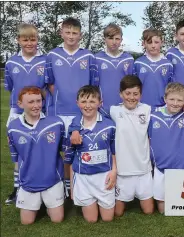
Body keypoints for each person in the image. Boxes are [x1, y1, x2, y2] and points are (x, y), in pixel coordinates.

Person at [45, 17, 97, 198]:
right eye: (67, 32)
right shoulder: (52, 55)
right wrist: (62, 97)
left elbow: (93, 85)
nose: (71, 36)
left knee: (77, 151)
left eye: (75, 33)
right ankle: (58, 189)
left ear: (80, 35)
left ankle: (75, 190)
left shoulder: (89, 56)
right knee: (57, 151)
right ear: (61, 33)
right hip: (58, 113)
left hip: (81, 113)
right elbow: (50, 83)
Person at [7, 86, 65, 224]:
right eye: (31, 102)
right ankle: (36, 202)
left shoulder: (56, 123)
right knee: (26, 222)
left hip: (52, 181)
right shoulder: (13, 127)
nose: (36, 105)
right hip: (29, 182)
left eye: (39, 101)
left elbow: (65, 150)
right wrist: (19, 183)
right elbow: (16, 158)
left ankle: (47, 202)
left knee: (57, 219)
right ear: (20, 104)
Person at [4, 23, 47, 205]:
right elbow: (10, 87)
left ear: (37, 40)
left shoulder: (45, 61)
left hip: (41, 111)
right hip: (17, 112)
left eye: (33, 39)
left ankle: (46, 184)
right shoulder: (11, 62)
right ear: (18, 40)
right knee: (19, 150)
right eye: (25, 39)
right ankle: (17, 188)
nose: (29, 43)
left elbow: (48, 86)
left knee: (43, 148)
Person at [64, 85, 117, 223]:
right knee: (91, 220)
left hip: (104, 177)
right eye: (83, 101)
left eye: (92, 101)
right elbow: (69, 158)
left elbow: (114, 151)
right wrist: (71, 186)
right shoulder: (73, 128)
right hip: (83, 179)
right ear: (77, 103)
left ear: (100, 103)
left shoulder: (110, 125)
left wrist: (114, 171)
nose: (88, 106)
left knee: (107, 219)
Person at [111, 75, 155, 216]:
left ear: (141, 94)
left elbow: (169, 109)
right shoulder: (113, 111)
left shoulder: (147, 110)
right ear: (121, 94)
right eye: (127, 93)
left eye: (135, 94)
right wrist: (75, 128)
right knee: (117, 213)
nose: (131, 97)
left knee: (149, 211)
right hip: (123, 171)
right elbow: (90, 112)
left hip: (143, 169)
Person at [148, 82, 184, 214]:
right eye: (172, 99)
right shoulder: (152, 116)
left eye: (180, 100)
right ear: (165, 99)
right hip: (160, 166)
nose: (175, 103)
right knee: (163, 209)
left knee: (182, 206)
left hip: (182, 166)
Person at [95, 23, 134, 109]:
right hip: (102, 107)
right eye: (110, 38)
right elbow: (94, 85)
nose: (114, 42)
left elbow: (132, 85)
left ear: (121, 40)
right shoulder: (97, 58)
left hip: (124, 107)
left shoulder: (128, 59)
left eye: (117, 39)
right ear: (104, 39)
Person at [133, 28, 173, 107]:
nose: (153, 46)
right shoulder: (138, 63)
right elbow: (133, 86)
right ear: (143, 44)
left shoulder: (168, 64)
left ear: (162, 42)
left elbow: (171, 88)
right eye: (149, 42)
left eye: (156, 42)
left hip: (163, 107)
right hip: (141, 106)